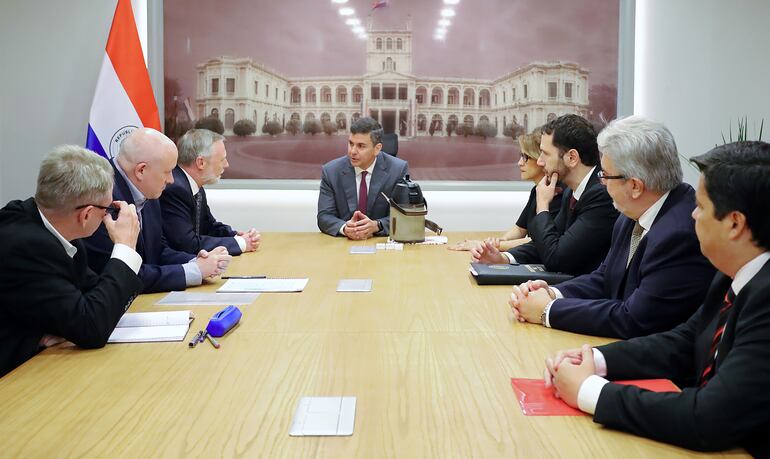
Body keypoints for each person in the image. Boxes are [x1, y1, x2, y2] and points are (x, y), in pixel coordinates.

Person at [543, 141, 770, 456]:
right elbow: (685, 340)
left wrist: (591, 392)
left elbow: (709, 417)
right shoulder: (734, 272)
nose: (692, 214)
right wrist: (595, 360)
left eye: (701, 207)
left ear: (734, 224)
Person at [508, 116, 716, 338]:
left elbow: (633, 318)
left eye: (605, 175)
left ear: (635, 186)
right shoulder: (632, 213)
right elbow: (604, 278)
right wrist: (552, 293)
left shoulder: (679, 234)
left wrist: (547, 311)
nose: (602, 182)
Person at [0, 145, 143, 377]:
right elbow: (92, 327)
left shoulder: (55, 230)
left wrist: (77, 320)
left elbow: (92, 299)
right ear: (86, 215)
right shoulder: (26, 244)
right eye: (107, 209)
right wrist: (125, 248)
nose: (108, 216)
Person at [84, 128, 232, 293]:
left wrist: (197, 261)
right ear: (141, 170)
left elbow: (157, 251)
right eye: (167, 172)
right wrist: (194, 271)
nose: (171, 180)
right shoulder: (103, 198)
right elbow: (124, 274)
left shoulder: (148, 189)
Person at [471, 114, 618, 276]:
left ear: (572, 158)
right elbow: (546, 244)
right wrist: (504, 258)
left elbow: (556, 258)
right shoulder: (571, 190)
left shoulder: (601, 195)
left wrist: (542, 207)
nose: (540, 162)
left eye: (545, 154)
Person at [449, 126, 563, 251]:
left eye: (526, 157)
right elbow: (520, 229)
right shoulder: (537, 190)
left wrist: (489, 246)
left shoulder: (558, 193)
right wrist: (501, 240)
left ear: (541, 159)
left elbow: (538, 241)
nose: (519, 163)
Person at [159, 129, 261, 255]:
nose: (227, 164)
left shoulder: (195, 185)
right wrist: (240, 244)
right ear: (201, 162)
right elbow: (186, 244)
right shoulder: (175, 189)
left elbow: (208, 226)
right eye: (222, 159)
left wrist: (236, 236)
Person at [317, 117, 409, 239]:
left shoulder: (397, 170)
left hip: (381, 246)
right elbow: (324, 216)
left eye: (361, 146)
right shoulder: (331, 171)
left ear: (377, 149)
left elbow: (405, 216)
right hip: (343, 246)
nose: (352, 151)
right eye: (351, 144)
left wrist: (377, 225)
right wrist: (345, 228)